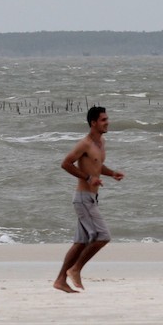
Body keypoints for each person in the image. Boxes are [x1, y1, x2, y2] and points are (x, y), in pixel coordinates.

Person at [53, 105, 124, 293]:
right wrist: (87, 178)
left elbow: (96, 166)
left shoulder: (101, 143)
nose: (107, 122)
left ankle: (60, 280)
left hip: (91, 198)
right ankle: (75, 269)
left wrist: (112, 173)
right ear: (93, 123)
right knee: (103, 236)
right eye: (103, 120)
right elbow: (65, 163)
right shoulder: (84, 144)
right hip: (83, 198)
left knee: (81, 242)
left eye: (107, 119)